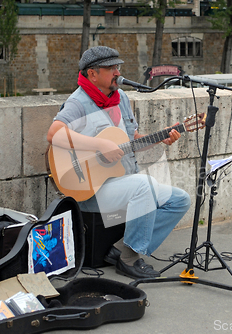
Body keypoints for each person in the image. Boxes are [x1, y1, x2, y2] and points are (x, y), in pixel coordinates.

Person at [46, 46, 191, 279]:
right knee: (144, 184)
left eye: (118, 67)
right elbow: (54, 134)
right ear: (92, 74)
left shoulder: (121, 98)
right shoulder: (78, 102)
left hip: (122, 182)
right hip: (90, 188)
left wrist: (160, 137)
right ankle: (129, 260)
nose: (117, 72)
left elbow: (132, 141)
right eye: (111, 68)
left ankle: (122, 248)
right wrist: (98, 145)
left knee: (180, 200)